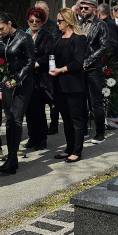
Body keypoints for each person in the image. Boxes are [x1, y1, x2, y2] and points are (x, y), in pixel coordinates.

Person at [0, 12, 36, 174]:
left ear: (9, 23)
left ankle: (12, 158)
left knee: (16, 118)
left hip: (23, 82)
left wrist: (18, 78)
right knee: (9, 120)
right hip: (6, 82)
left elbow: (31, 61)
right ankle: (12, 157)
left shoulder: (24, 38)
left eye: (1, 29)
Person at [49, 8, 87, 163]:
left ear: (68, 21)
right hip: (59, 84)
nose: (57, 24)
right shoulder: (59, 37)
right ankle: (69, 147)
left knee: (76, 119)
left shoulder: (79, 38)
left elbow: (78, 62)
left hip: (73, 84)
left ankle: (77, 150)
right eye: (57, 21)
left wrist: (61, 70)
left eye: (60, 21)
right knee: (65, 118)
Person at [77, 0, 110, 143]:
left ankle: (100, 133)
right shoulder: (77, 24)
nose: (83, 10)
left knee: (96, 101)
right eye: (81, 8)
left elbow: (104, 46)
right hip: (79, 68)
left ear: (94, 10)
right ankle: (83, 130)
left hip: (94, 68)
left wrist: (88, 61)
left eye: (86, 8)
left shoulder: (101, 25)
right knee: (81, 100)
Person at [23, 6, 55, 150]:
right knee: (28, 110)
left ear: (42, 22)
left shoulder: (47, 36)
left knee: (38, 110)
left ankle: (41, 138)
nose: (34, 23)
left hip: (39, 77)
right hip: (26, 77)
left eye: (37, 21)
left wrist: (37, 63)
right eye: (31, 20)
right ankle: (32, 137)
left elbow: (49, 54)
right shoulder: (24, 34)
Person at [35, 0, 61, 136]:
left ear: (48, 12)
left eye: (42, 10)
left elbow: (53, 48)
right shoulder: (33, 26)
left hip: (50, 68)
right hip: (36, 70)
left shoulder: (53, 27)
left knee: (52, 99)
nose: (39, 13)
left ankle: (54, 124)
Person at [97, 2, 118, 118]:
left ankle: (113, 117)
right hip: (112, 62)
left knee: (112, 91)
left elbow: (112, 43)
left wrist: (102, 52)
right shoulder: (108, 23)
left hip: (113, 63)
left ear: (99, 13)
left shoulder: (108, 24)